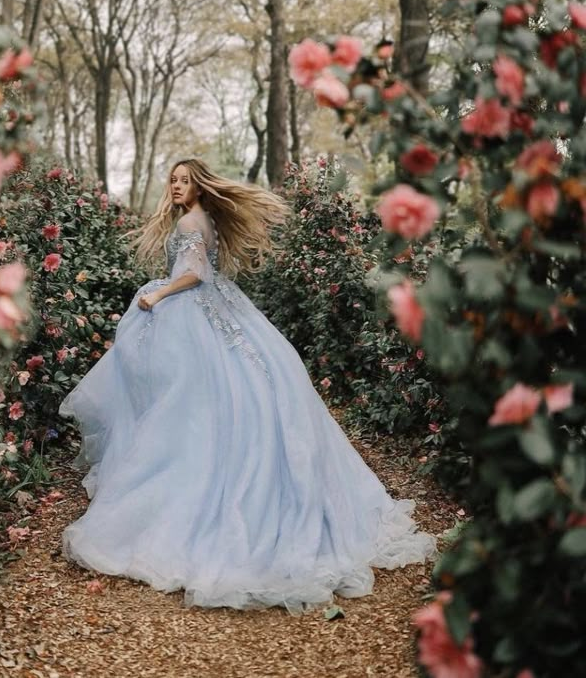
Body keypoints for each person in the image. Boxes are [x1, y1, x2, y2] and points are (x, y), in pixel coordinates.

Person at [58, 158, 436, 615]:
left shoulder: (195, 220)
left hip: (195, 309)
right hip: (218, 309)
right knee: (214, 395)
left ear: (199, 186)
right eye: (173, 181)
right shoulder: (202, 218)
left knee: (189, 397)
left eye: (184, 180)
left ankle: (184, 473)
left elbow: (195, 273)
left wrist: (157, 294)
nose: (176, 187)